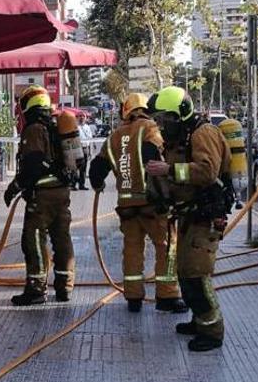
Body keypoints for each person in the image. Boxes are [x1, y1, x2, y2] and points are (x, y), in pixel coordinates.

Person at [146, 86, 231, 352]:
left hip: (205, 215)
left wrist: (169, 169)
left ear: (180, 114)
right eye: (159, 120)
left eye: (165, 119)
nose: (162, 125)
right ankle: (199, 320)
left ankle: (212, 330)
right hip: (188, 214)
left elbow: (206, 172)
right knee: (184, 271)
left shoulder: (203, 133)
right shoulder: (180, 137)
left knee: (196, 272)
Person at [87, 93, 187, 314]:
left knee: (132, 249)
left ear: (126, 110)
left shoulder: (114, 136)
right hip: (153, 203)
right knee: (166, 247)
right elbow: (151, 152)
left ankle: (133, 297)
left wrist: (97, 184)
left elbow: (97, 168)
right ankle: (167, 296)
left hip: (127, 207)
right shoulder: (149, 128)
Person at [4, 85, 75, 306]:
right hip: (62, 194)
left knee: (33, 241)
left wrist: (14, 187)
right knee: (62, 239)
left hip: (42, 197)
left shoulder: (34, 128)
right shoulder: (55, 127)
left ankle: (36, 288)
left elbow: (33, 165)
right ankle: (65, 287)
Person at [73, 115, 94, 190]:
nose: (82, 118)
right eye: (80, 117)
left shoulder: (87, 127)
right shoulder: (75, 127)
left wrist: (90, 151)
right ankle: (74, 184)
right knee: (75, 166)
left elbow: (90, 139)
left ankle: (82, 184)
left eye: (83, 117)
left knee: (83, 168)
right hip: (78, 148)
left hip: (85, 148)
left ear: (85, 118)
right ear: (78, 118)